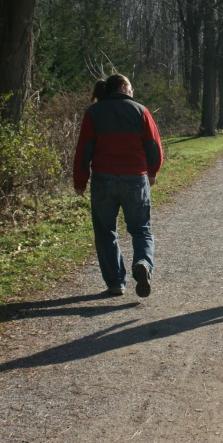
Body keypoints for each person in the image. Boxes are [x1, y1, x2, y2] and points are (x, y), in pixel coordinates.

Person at [73, 74, 163, 297]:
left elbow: (84, 149)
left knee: (105, 231)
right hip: (135, 178)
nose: (133, 92)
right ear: (123, 87)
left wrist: (80, 180)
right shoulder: (140, 110)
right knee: (141, 229)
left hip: (104, 179)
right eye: (131, 87)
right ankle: (142, 263)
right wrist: (152, 171)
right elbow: (153, 145)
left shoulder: (93, 112)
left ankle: (115, 282)